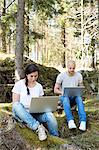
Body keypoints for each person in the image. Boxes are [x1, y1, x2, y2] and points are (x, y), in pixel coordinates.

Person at [12, 64, 59, 141]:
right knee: (16, 105)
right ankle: (38, 127)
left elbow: (41, 103)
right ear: (26, 75)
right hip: (21, 114)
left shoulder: (39, 86)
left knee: (49, 115)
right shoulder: (19, 84)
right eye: (31, 76)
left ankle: (55, 137)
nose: (33, 78)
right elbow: (15, 103)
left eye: (35, 76)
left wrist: (48, 107)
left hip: (35, 113)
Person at [54, 60, 87, 131]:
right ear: (67, 67)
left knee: (79, 98)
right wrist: (62, 92)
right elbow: (55, 90)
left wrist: (80, 90)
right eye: (70, 68)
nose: (72, 70)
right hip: (64, 97)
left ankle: (83, 122)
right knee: (65, 98)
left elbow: (81, 88)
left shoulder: (79, 76)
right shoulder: (61, 76)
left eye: (73, 68)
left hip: (74, 97)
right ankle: (70, 121)